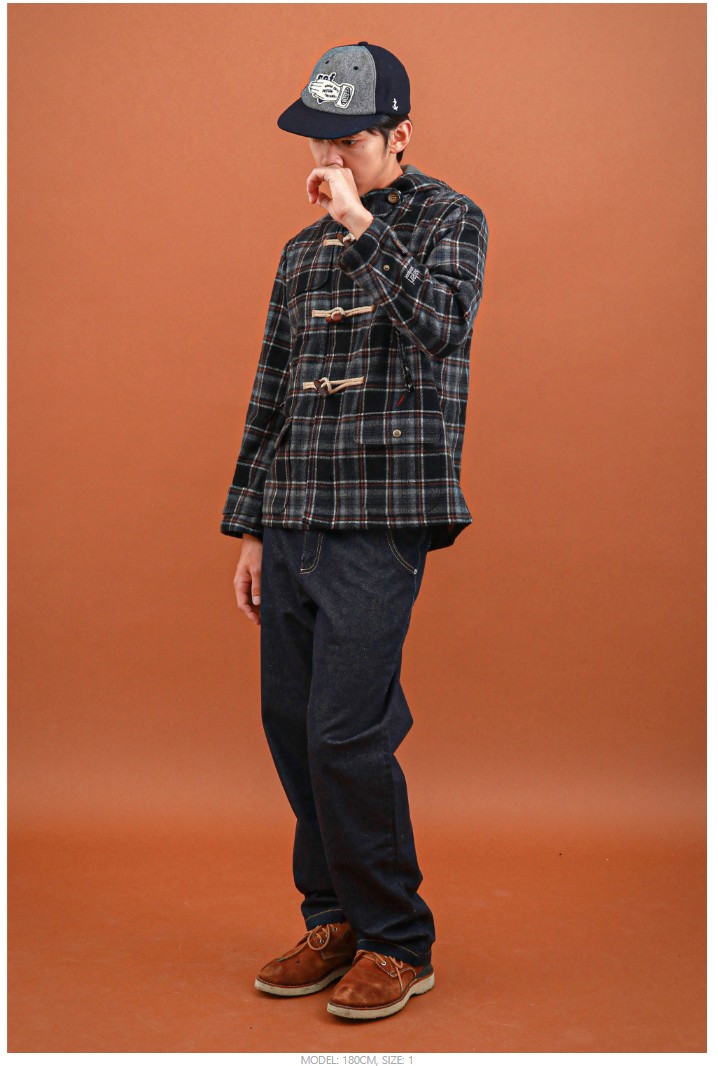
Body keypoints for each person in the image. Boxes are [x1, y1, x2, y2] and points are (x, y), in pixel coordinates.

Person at [220, 41, 489, 1021]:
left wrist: (360, 222)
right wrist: (250, 528)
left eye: (352, 140)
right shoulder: (298, 254)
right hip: (293, 514)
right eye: (320, 140)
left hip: (381, 516)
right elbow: (272, 392)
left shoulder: (450, 219)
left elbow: (441, 326)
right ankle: (332, 916)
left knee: (346, 730)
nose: (332, 157)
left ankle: (396, 939)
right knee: (291, 724)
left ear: (399, 134)